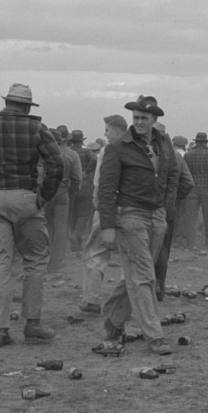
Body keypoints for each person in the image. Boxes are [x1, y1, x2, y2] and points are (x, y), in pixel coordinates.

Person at [0, 83, 63, 347]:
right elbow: (56, 163)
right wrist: (43, 196)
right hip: (26, 198)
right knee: (35, 260)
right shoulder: (38, 128)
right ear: (27, 106)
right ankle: (32, 324)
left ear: (7, 102)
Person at [91, 95, 180, 357]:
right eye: (136, 118)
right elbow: (106, 190)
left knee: (138, 273)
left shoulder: (164, 142)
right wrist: (108, 225)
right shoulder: (117, 147)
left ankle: (111, 318)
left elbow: (172, 173)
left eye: (144, 118)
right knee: (144, 275)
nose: (139, 122)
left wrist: (167, 207)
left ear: (154, 120)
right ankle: (155, 336)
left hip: (156, 215)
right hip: (129, 215)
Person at [79, 115, 127, 314]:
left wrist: (98, 205)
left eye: (107, 130)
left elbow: (99, 183)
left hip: (107, 206)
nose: (105, 134)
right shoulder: (136, 150)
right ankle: (128, 300)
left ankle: (92, 299)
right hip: (130, 208)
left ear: (116, 131)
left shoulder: (107, 151)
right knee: (130, 256)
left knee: (96, 253)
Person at [154, 126, 194, 300]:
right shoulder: (175, 156)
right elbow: (187, 183)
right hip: (166, 208)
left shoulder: (141, 153)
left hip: (140, 208)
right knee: (162, 250)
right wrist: (174, 197)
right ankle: (158, 287)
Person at [44, 126, 81, 275]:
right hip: (62, 192)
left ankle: (43, 258)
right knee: (60, 228)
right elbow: (77, 178)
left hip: (46, 192)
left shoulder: (44, 154)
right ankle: (56, 262)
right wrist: (69, 192)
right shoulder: (72, 155)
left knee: (45, 226)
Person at [183, 131, 208, 251]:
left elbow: (185, 173)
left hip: (192, 189)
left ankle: (190, 244)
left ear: (196, 141)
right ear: (205, 142)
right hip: (206, 188)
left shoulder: (188, 155)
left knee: (190, 218)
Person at [69, 129, 98, 253]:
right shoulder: (87, 152)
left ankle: (74, 240)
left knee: (73, 214)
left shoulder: (69, 152)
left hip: (71, 185)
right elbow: (95, 160)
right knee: (83, 214)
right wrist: (86, 172)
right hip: (85, 185)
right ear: (81, 140)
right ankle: (76, 236)